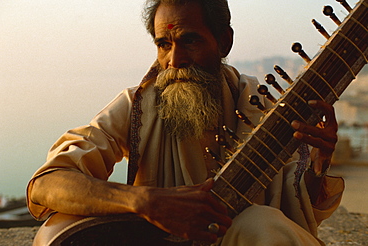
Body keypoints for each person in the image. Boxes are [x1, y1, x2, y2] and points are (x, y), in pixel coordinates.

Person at [27, 0, 344, 245]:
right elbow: (46, 184)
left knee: (261, 223)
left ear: (224, 41)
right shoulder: (136, 107)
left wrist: (318, 163)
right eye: (164, 44)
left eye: (189, 40)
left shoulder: (259, 108)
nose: (174, 60)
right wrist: (145, 202)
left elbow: (294, 200)